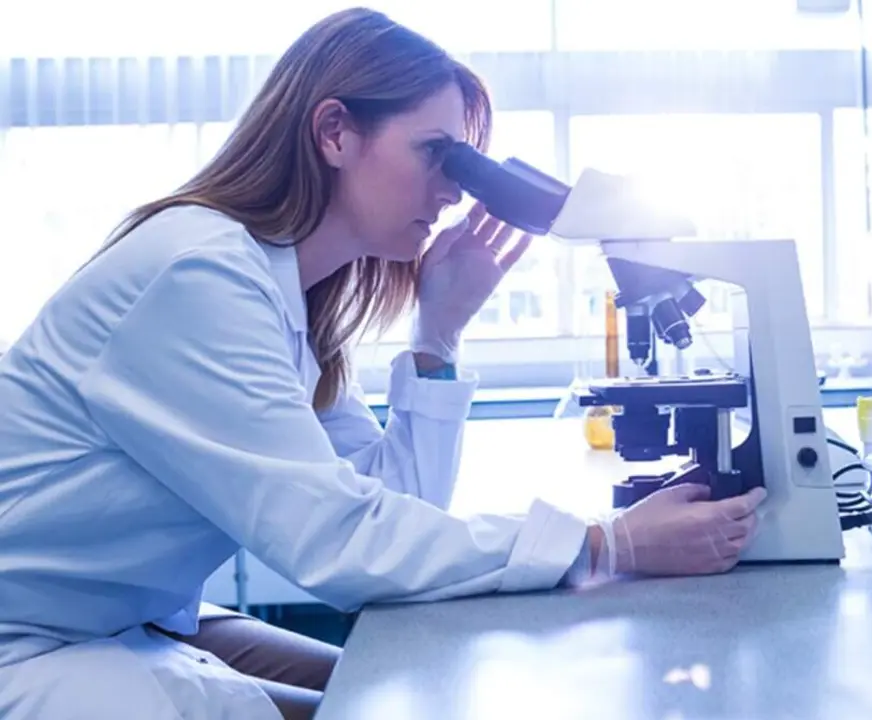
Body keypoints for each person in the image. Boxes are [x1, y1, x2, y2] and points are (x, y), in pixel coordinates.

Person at [0, 8, 767, 720]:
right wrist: (611, 541)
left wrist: (437, 334)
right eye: (438, 156)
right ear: (334, 132)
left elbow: (394, 503)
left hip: (118, 620)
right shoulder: (198, 274)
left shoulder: (284, 295)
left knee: (393, 684)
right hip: (31, 643)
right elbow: (342, 546)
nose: (456, 194)